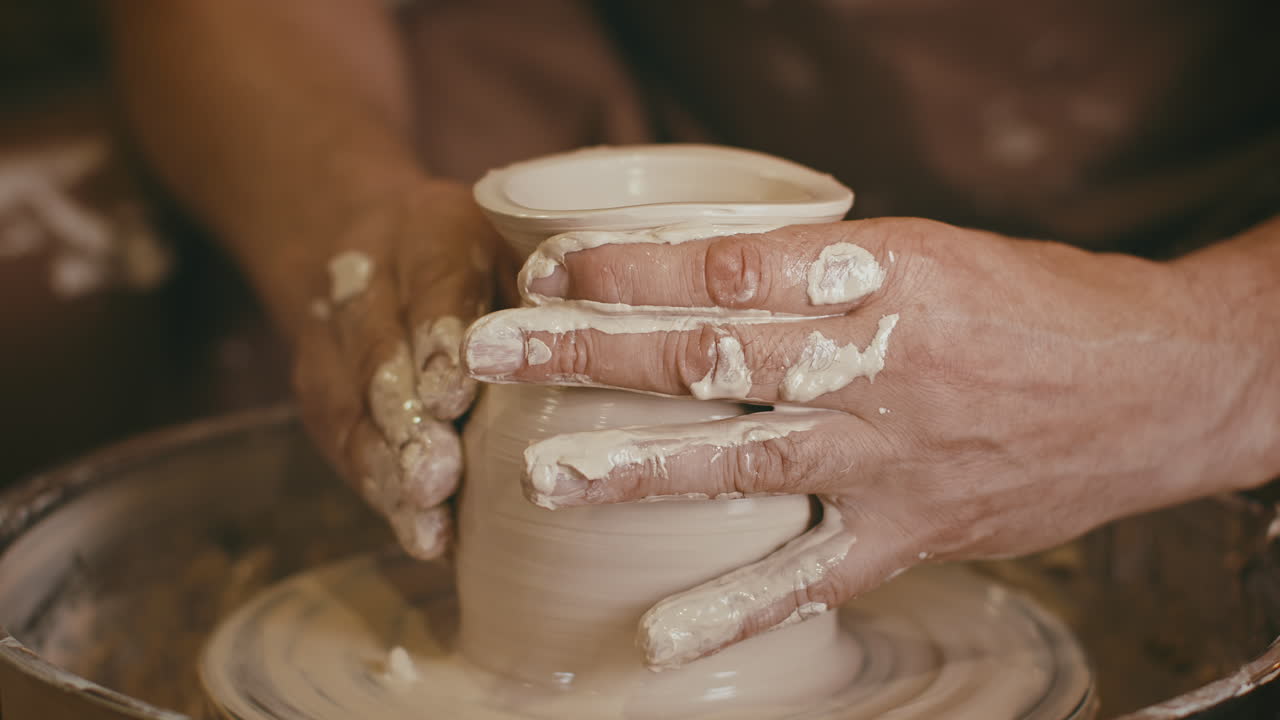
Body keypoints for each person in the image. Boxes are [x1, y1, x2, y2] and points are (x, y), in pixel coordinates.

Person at [105, 0, 1278, 668]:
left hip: (1214, 228)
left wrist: (1206, 364)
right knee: (334, 377)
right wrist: (345, 224)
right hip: (653, 88)